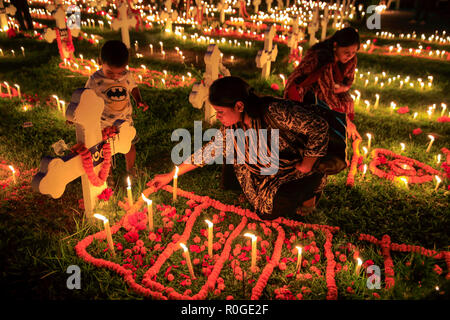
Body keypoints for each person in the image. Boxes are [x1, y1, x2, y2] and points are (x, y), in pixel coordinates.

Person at [148, 76, 330, 220]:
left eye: (220, 111)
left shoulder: (275, 111)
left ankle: (311, 187)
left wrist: (307, 163)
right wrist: (170, 176)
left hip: (295, 165)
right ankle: (280, 189)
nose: (218, 116)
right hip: (267, 168)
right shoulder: (233, 126)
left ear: (239, 106)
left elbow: (319, 126)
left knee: (268, 210)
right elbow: (209, 151)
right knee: (262, 207)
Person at [84, 40, 148, 180]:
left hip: (124, 120)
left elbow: (133, 87)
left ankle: (131, 170)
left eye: (119, 73)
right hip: (104, 123)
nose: (115, 77)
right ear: (100, 61)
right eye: (110, 73)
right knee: (105, 151)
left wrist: (138, 100)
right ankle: (108, 175)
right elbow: (85, 97)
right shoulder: (95, 79)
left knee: (129, 145)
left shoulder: (127, 75)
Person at [284, 27, 361, 140]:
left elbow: (348, 81)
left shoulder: (350, 60)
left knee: (347, 100)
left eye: (354, 52)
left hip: (331, 87)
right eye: (346, 52)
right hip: (305, 88)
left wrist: (343, 88)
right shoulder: (322, 58)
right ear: (335, 46)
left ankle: (337, 125)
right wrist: (346, 120)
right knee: (323, 108)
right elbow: (327, 92)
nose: (350, 56)